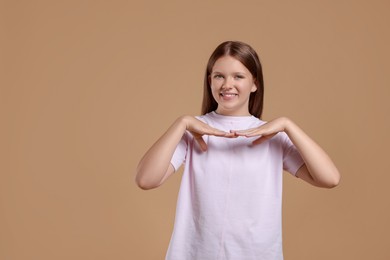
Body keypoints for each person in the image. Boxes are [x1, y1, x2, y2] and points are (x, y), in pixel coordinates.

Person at [135, 41, 340, 260]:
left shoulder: (272, 135)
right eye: (219, 76)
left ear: (254, 84)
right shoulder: (193, 131)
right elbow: (146, 180)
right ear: (210, 81)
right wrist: (182, 123)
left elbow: (330, 178)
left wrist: (288, 125)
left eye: (238, 76)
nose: (227, 84)